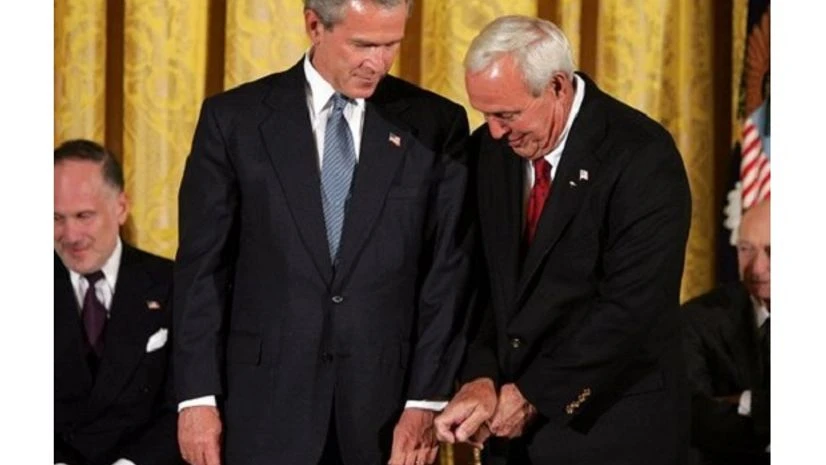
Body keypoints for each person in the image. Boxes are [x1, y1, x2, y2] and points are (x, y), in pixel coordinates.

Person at [173, 1, 473, 464]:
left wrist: (424, 402)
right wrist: (197, 399)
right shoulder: (234, 120)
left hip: (386, 418)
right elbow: (202, 272)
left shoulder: (435, 126)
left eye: (391, 44)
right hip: (260, 410)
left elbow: (446, 275)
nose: (378, 62)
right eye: (362, 44)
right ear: (315, 26)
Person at [433, 15, 693, 465]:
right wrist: (480, 375)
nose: (495, 131)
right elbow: (482, 285)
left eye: (507, 114)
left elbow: (632, 310)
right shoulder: (490, 152)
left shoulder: (641, 156)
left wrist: (533, 394)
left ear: (557, 86)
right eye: (485, 115)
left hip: (610, 430)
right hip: (510, 439)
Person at [54, 139, 182, 465]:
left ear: (121, 208)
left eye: (84, 216)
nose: (70, 235)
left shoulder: (173, 284)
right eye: (56, 218)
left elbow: (184, 404)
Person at [681, 199, 770, 465]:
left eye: (772, 250)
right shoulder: (697, 319)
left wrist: (745, 401)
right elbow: (693, 416)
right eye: (746, 249)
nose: (756, 268)